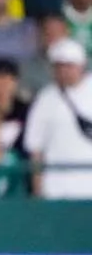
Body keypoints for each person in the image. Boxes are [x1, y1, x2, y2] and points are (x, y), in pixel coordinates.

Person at [23, 38, 92, 199]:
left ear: (81, 65)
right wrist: (37, 190)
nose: (63, 71)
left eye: (69, 66)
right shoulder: (45, 98)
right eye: (59, 66)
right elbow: (35, 148)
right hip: (55, 186)